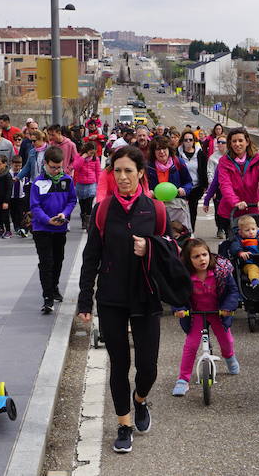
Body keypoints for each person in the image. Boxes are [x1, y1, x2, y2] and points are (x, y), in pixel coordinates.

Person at [77, 146, 178, 454]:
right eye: (117, 171)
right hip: (111, 297)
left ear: (140, 174)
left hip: (146, 296)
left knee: (148, 366)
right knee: (119, 364)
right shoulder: (103, 210)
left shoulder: (156, 209)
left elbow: (170, 249)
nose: (122, 177)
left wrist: (150, 248)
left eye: (128, 171)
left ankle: (141, 400)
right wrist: (84, 301)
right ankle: (123, 424)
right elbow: (91, 256)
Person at [171, 239, 240, 397]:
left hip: (217, 313)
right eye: (196, 257)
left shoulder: (220, 271)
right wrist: (179, 309)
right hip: (195, 314)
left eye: (204, 254)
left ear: (210, 255)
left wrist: (228, 307)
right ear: (188, 260)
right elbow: (177, 295)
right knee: (190, 346)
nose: (202, 259)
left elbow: (232, 290)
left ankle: (229, 357)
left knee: (226, 340)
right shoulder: (185, 276)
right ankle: (183, 379)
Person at [31, 146, 77, 314]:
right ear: (45, 164)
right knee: (46, 262)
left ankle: (54, 286)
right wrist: (46, 220)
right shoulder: (38, 182)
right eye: (53, 167)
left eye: (59, 167)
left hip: (60, 227)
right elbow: (34, 206)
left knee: (58, 259)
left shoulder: (67, 180)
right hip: (42, 228)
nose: (57, 170)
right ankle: (47, 296)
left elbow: (72, 200)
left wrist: (64, 214)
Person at [216, 128, 259, 225]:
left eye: (240, 140)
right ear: (230, 143)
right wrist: (235, 202)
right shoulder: (224, 161)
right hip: (232, 209)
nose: (237, 144)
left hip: (253, 208)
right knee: (234, 238)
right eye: (234, 141)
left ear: (247, 142)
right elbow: (225, 185)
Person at [146, 136, 194, 232]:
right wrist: (148, 192)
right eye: (158, 149)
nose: (162, 152)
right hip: (156, 208)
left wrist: (184, 189)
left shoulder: (178, 162)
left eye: (164, 148)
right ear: (153, 152)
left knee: (180, 235)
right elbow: (142, 186)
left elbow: (188, 182)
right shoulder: (148, 166)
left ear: (169, 149)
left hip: (176, 207)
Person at [227, 214, 259, 287]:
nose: (251, 232)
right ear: (240, 232)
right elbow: (234, 247)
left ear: (257, 229)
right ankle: (255, 282)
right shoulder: (239, 239)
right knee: (253, 269)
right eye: (247, 230)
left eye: (253, 229)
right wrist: (240, 252)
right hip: (249, 264)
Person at [177, 129, 208, 231]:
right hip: (182, 187)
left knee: (192, 210)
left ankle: (191, 231)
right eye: (186, 140)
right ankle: (182, 232)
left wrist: (205, 186)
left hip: (196, 187)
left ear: (194, 141)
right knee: (182, 211)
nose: (188, 142)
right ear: (182, 141)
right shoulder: (177, 154)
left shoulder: (200, 154)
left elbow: (204, 170)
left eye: (190, 140)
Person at [202, 135, 229, 238]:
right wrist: (211, 190)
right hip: (218, 188)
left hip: (229, 188)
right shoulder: (213, 157)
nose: (220, 144)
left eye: (223, 142)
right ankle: (220, 228)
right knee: (219, 209)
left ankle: (228, 229)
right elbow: (210, 173)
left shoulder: (231, 156)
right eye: (219, 142)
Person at [73, 141, 102, 230]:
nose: (91, 154)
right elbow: (75, 167)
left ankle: (88, 223)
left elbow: (98, 171)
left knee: (89, 204)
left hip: (91, 184)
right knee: (82, 204)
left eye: (93, 153)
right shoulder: (79, 156)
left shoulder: (95, 159)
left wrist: (98, 184)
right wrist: (83, 157)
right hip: (80, 183)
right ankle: (83, 220)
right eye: (90, 152)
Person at [9, 155, 30, 237]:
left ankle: (22, 228)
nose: (17, 167)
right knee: (13, 213)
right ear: (11, 164)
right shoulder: (9, 173)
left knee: (21, 213)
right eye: (15, 166)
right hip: (12, 197)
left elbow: (27, 185)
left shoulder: (23, 173)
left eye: (19, 166)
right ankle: (16, 227)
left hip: (21, 197)